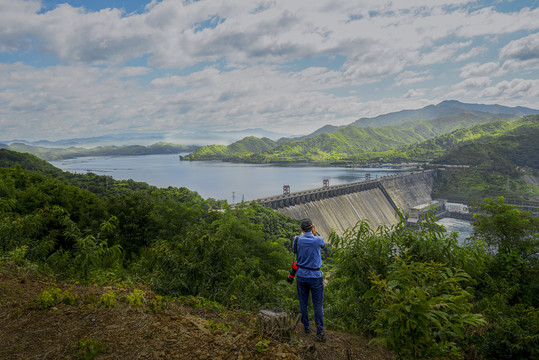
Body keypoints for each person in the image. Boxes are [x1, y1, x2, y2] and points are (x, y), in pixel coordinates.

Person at [293, 218, 326, 342]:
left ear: (301, 229)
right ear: (312, 227)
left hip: (301, 275)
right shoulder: (318, 239)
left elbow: (294, 250)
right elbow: (322, 245)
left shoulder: (297, 239)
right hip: (316, 276)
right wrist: (314, 232)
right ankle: (320, 332)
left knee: (303, 303)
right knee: (318, 305)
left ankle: (306, 327)